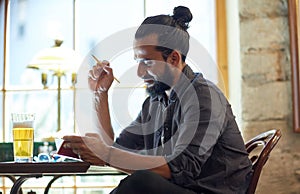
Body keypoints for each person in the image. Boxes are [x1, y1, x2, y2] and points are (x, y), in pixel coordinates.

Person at [63, 6, 253, 194]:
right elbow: (116, 148)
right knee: (138, 180)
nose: (139, 72)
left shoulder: (205, 97)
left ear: (173, 58)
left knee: (140, 181)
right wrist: (100, 94)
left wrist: (106, 154)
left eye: (147, 62)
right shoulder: (156, 101)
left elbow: (183, 169)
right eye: (138, 62)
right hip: (182, 190)